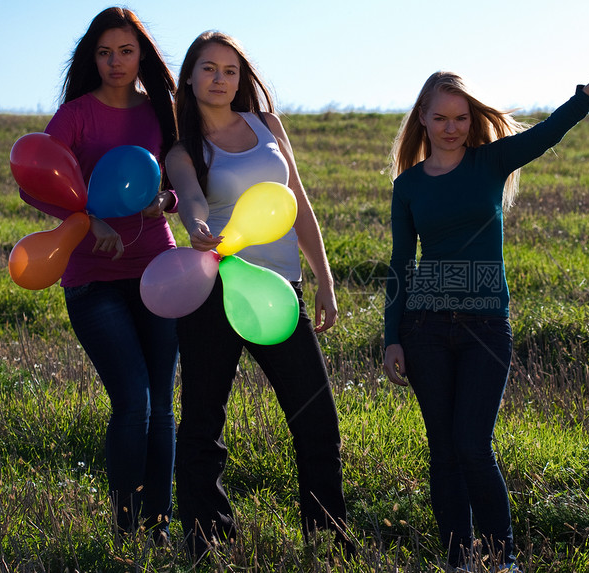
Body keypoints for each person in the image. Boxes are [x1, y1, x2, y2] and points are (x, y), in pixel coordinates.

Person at [382, 53, 589, 570]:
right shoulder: (407, 187)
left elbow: (549, 132)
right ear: (422, 119)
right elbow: (399, 264)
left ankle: (503, 560)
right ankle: (458, 560)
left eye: (461, 118)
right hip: (425, 328)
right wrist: (393, 336)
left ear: (472, 119)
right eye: (440, 118)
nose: (452, 128)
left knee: (473, 445)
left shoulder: (491, 162)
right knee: (443, 451)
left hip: (486, 326)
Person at [165, 31, 350, 559]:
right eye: (208, 69)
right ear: (190, 78)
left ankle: (330, 542)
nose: (219, 78)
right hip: (213, 291)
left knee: (315, 418)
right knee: (203, 420)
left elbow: (297, 202)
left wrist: (325, 279)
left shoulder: (266, 125)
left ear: (241, 78)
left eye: (229, 70)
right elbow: (193, 201)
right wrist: (199, 227)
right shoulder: (183, 149)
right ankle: (208, 541)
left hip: (279, 291)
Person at [18, 7, 179, 543]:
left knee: (162, 406)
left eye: (125, 51)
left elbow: (176, 177)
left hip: (159, 268)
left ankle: (159, 524)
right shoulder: (76, 114)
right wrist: (85, 220)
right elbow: (34, 180)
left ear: (141, 56)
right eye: (105, 52)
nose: (115, 62)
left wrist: (166, 199)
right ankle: (125, 528)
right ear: (94, 57)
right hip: (91, 277)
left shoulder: (161, 111)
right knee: (134, 401)